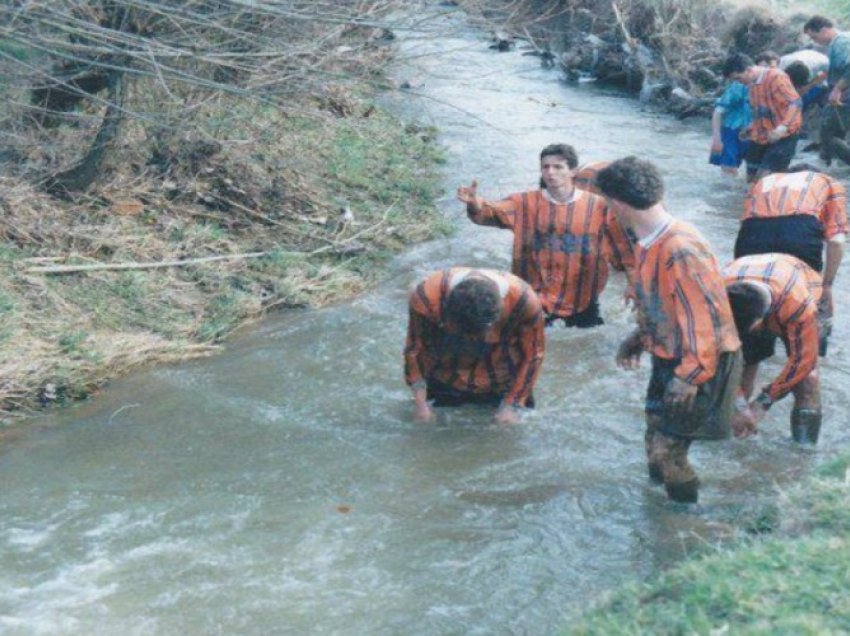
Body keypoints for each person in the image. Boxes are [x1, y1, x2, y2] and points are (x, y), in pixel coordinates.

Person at [595, 157, 742, 504]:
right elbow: (666, 304)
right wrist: (640, 337)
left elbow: (702, 318)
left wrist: (690, 376)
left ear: (616, 203)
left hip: (701, 360)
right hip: (673, 353)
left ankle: (683, 528)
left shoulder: (679, 247)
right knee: (653, 441)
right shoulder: (650, 240)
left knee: (667, 452)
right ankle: (657, 511)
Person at [457, 144, 633, 328]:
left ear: (573, 171)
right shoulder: (522, 202)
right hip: (534, 298)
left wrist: (634, 286)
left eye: (558, 167)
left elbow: (624, 254)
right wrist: (474, 204)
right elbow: (489, 213)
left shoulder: (599, 207)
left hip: (582, 298)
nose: (550, 172)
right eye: (545, 167)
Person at [403, 267, 545, 425]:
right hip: (445, 375)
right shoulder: (427, 297)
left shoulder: (524, 301)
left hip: (503, 381)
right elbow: (415, 349)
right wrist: (420, 405)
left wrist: (510, 406)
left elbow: (532, 355)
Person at [724, 254, 824, 444]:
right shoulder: (715, 296)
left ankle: (805, 451)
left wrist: (763, 402)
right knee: (742, 368)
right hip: (751, 282)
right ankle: (737, 437)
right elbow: (718, 354)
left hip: (799, 287)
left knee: (808, 382)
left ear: (760, 324)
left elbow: (803, 361)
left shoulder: (800, 304)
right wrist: (739, 404)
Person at [734, 164, 846, 325]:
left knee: (752, 301)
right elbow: (836, 241)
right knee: (805, 305)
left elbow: (745, 224)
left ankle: (758, 344)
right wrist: (826, 286)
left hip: (751, 233)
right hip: (799, 231)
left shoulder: (763, 182)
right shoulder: (827, 182)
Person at [723, 53, 803, 181]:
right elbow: (759, 110)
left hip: (784, 135)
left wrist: (783, 127)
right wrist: (750, 127)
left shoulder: (776, 77)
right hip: (761, 135)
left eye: (739, 78)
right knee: (750, 178)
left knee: (767, 180)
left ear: (749, 70)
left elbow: (795, 102)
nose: (739, 82)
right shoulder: (751, 84)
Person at [803, 15, 850, 165]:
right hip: (843, 94)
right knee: (834, 131)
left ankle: (830, 165)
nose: (814, 41)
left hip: (845, 94)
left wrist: (836, 90)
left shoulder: (841, 43)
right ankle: (829, 167)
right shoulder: (842, 40)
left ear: (823, 30)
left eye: (814, 37)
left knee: (828, 134)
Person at [709, 79, 751, 176]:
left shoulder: (763, 85)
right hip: (731, 130)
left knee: (752, 168)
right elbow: (718, 111)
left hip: (752, 131)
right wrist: (717, 139)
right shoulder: (737, 87)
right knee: (728, 168)